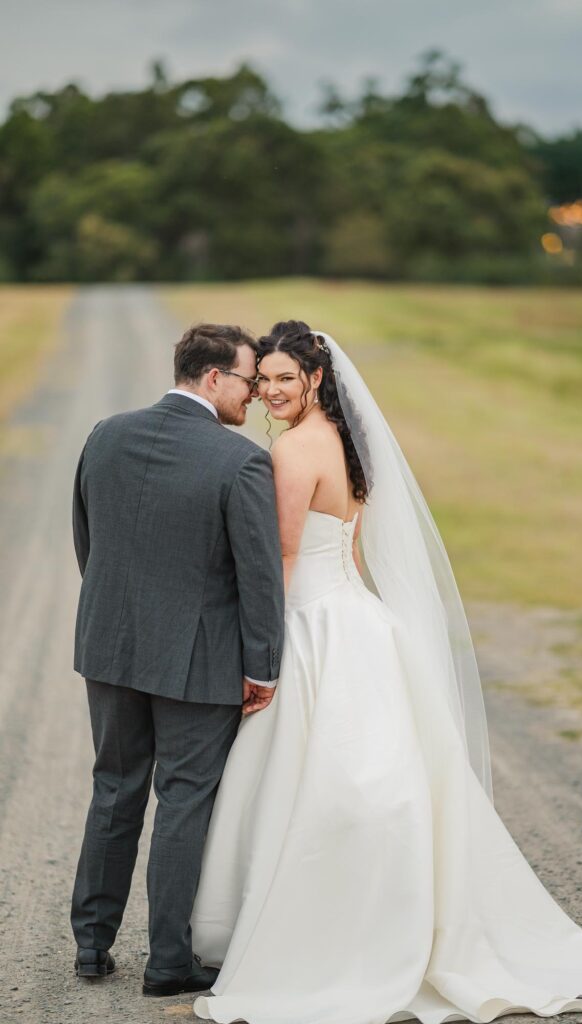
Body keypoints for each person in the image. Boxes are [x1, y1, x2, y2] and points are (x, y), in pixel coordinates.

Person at [191, 320, 582, 1024]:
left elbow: (281, 557)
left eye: (286, 377)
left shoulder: (292, 453)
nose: (271, 390)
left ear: (316, 379)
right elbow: (347, 547)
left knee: (311, 781)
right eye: (265, 379)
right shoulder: (348, 444)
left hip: (312, 625)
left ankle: (326, 930)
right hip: (357, 617)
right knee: (379, 777)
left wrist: (264, 653)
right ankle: (395, 914)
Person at [70, 323, 285, 997]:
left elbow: (88, 542)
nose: (254, 396)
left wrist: (116, 619)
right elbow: (259, 577)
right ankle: (168, 963)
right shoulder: (240, 461)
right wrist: (264, 667)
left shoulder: (106, 433)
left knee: (115, 787)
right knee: (184, 802)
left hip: (110, 647)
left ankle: (91, 946)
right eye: (250, 381)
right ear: (214, 377)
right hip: (200, 663)